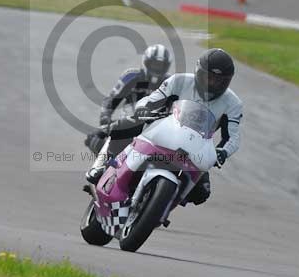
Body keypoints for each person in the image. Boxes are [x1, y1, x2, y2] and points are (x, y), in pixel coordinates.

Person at [87, 48, 243, 208]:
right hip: (162, 129)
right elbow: (151, 99)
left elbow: (233, 137)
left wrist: (223, 151)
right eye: (209, 78)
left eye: (220, 80)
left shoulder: (233, 103)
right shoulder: (178, 81)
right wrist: (143, 108)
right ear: (198, 71)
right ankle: (105, 166)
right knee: (121, 128)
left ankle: (166, 203)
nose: (213, 84)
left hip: (196, 147)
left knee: (202, 192)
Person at [84, 44, 171, 184]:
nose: (156, 68)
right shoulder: (132, 76)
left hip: (157, 130)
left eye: (160, 65)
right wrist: (105, 119)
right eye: (154, 64)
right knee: (95, 137)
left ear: (166, 66)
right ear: (146, 62)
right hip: (129, 124)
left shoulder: (170, 83)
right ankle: (100, 167)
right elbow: (111, 100)